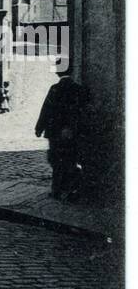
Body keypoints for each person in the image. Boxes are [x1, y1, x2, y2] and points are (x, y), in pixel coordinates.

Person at [35, 58, 86, 200]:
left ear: (58, 72)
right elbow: (81, 112)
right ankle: (71, 191)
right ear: (72, 70)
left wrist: (39, 128)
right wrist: (72, 128)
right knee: (71, 160)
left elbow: (46, 110)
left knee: (57, 162)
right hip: (72, 133)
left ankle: (56, 190)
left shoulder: (54, 89)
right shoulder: (79, 89)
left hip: (55, 132)